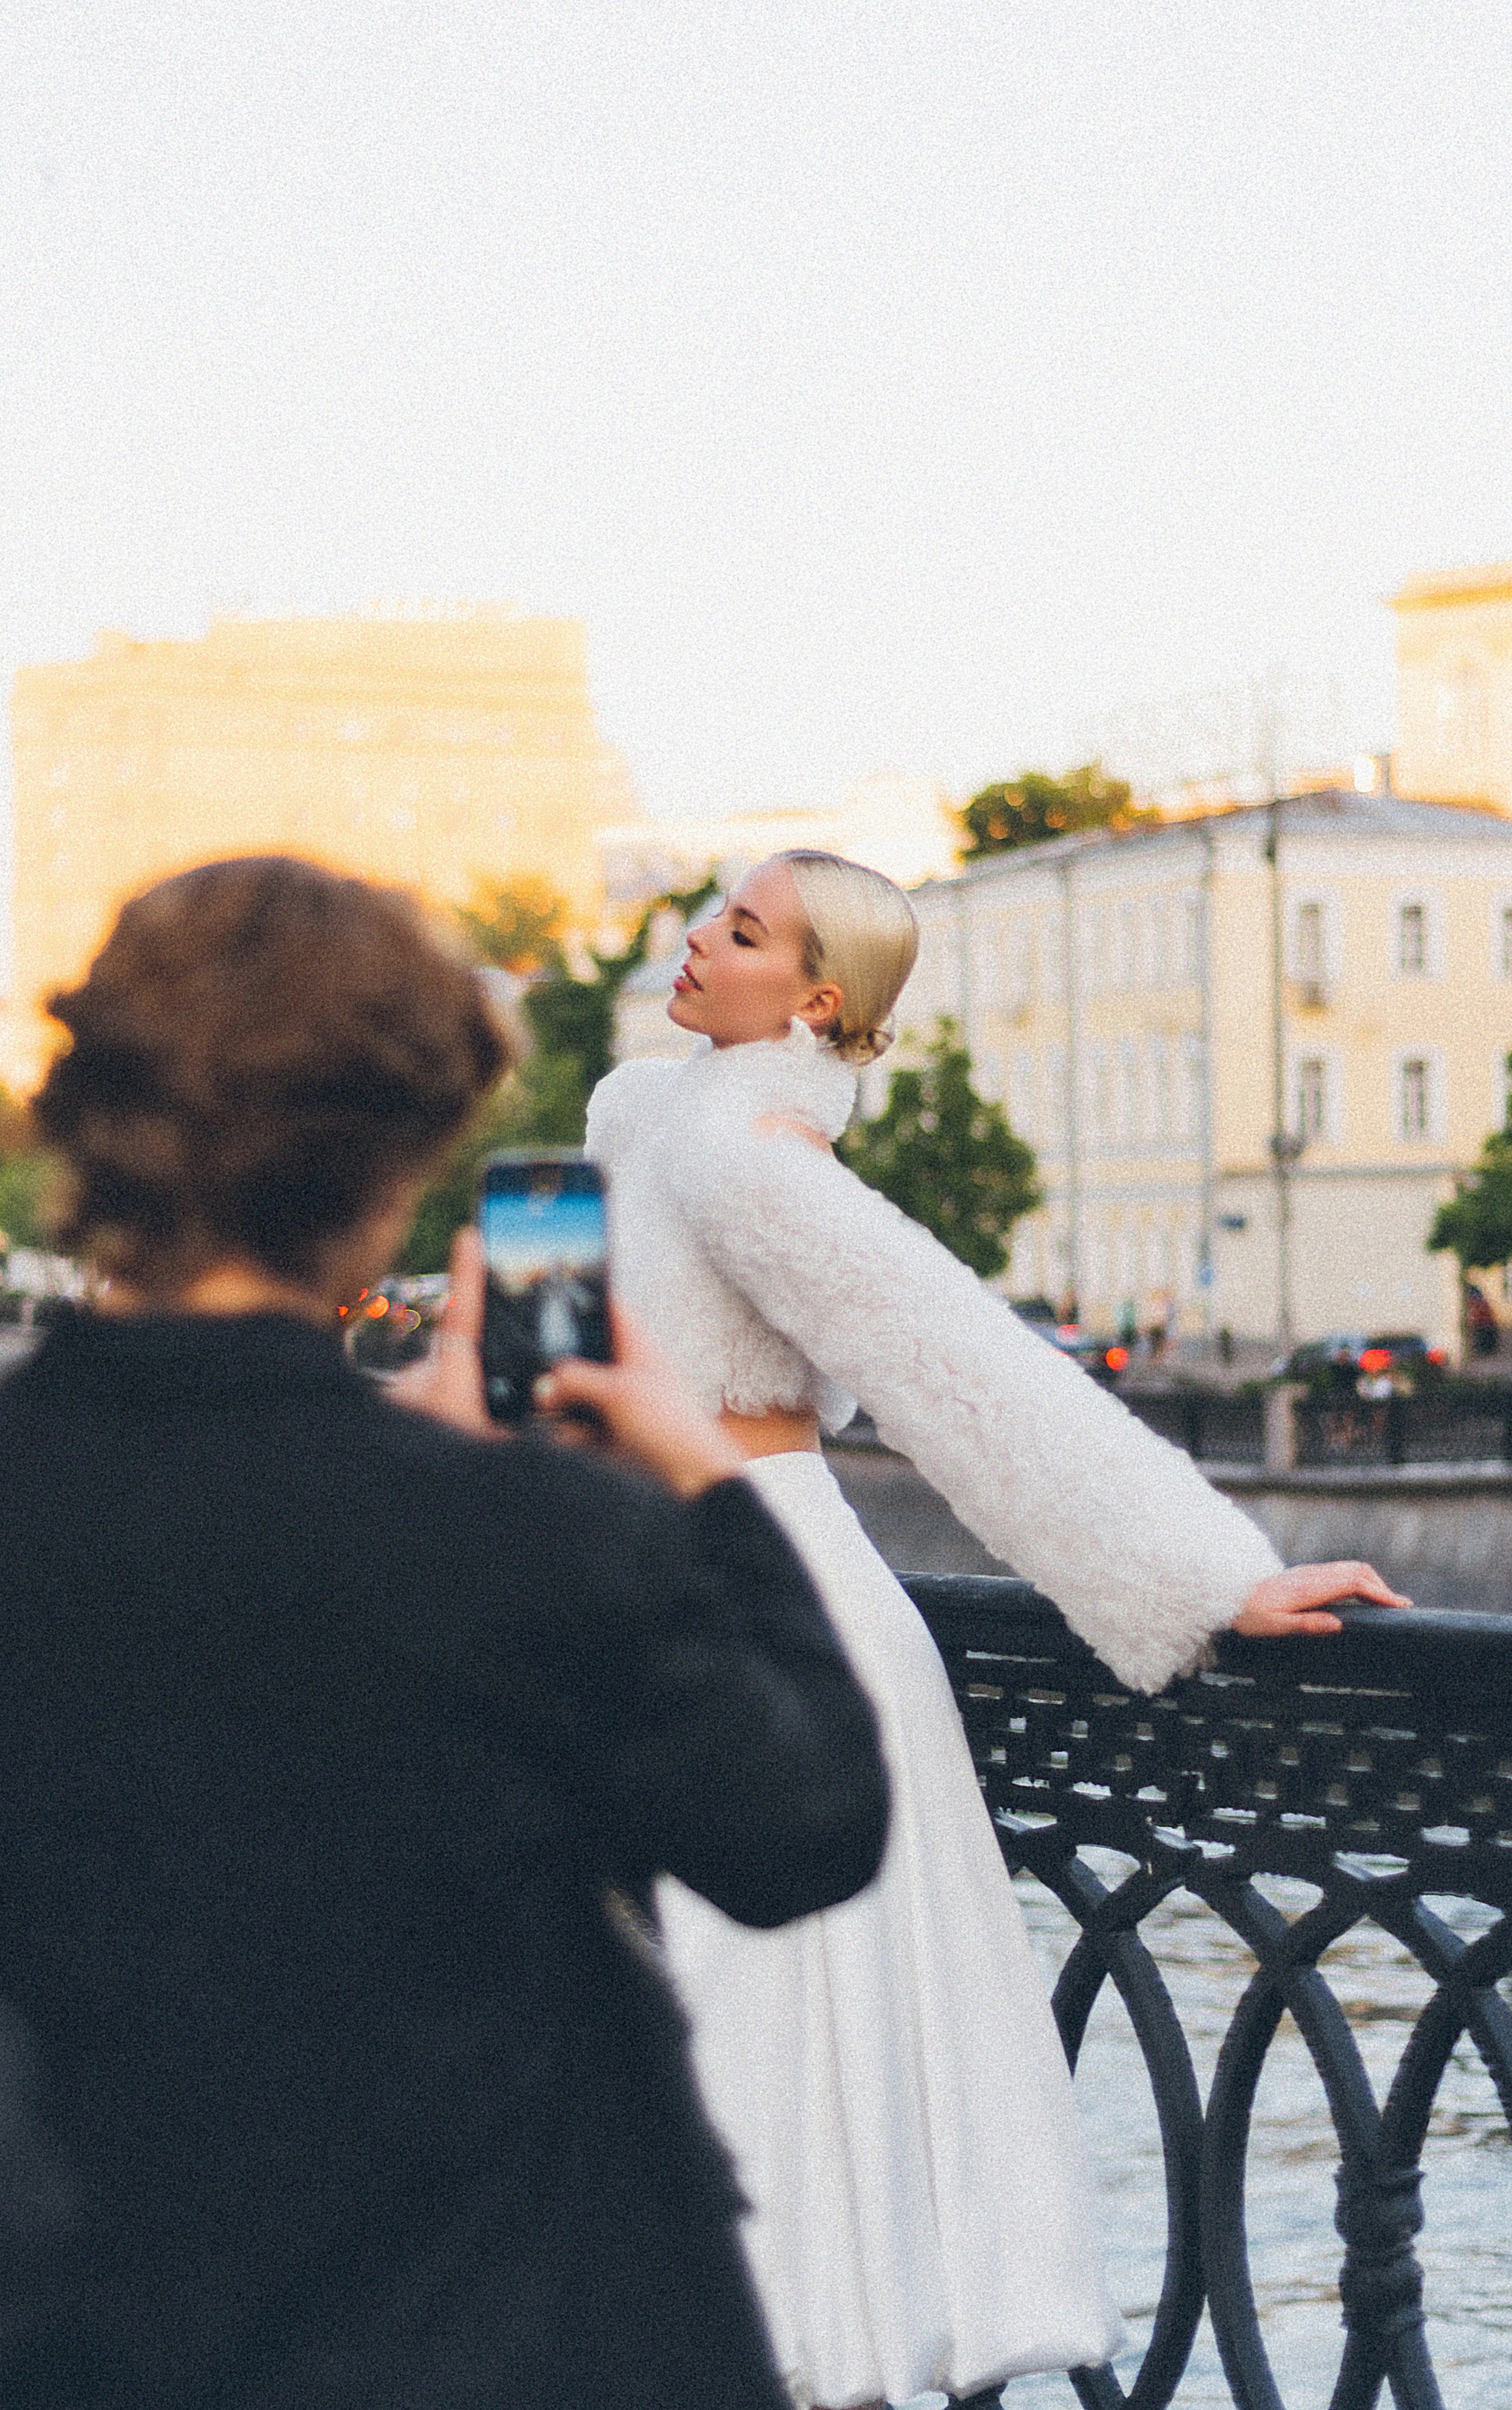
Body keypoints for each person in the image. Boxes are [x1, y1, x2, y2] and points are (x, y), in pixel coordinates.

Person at [0, 855, 890, 2410]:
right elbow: (802, 1826)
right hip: (494, 2331)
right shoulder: (522, 1535)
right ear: (390, 1175)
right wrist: (696, 1477)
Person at [586, 849, 1410, 2410]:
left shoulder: (756, 1160)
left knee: (753, 2041)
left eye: (742, 932)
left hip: (769, 1610)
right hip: (660, 1598)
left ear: (813, 999)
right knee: (692, 2029)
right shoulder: (637, 1119)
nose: (695, 939)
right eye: (712, 914)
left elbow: (963, 1374)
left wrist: (1201, 1578)